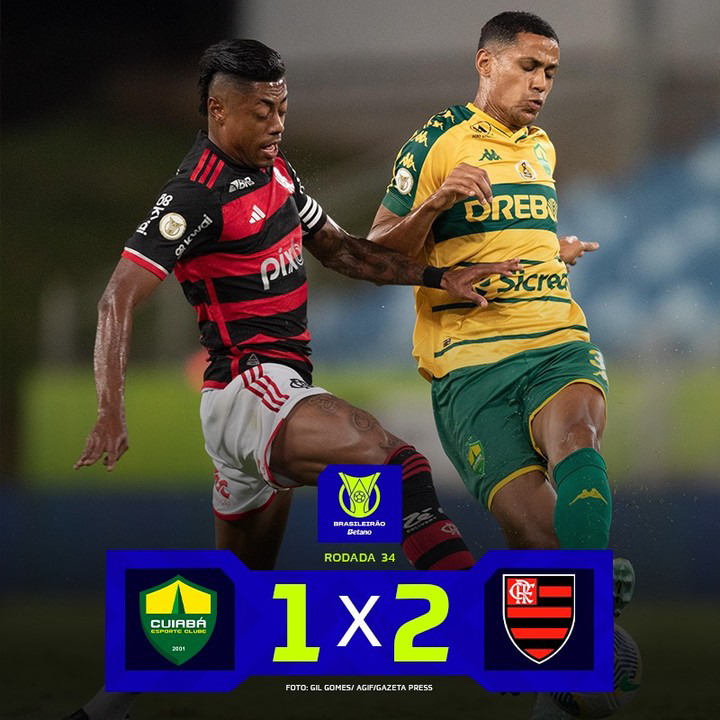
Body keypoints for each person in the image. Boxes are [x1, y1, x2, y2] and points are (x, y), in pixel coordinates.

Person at [65, 39, 520, 720]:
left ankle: (101, 711)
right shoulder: (194, 196)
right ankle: (488, 632)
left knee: (237, 599)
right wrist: (110, 409)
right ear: (219, 110)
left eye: (282, 108)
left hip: (259, 403)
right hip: (251, 389)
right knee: (395, 464)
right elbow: (116, 299)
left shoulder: (278, 175)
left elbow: (346, 253)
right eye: (262, 111)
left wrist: (437, 276)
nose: (277, 123)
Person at [368, 10, 634, 592]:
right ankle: (570, 626)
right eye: (529, 66)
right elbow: (373, 255)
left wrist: (551, 249)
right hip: (470, 364)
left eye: (551, 73)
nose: (541, 83)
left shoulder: (542, 148)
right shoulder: (438, 141)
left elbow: (506, 232)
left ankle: (591, 591)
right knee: (537, 535)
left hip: (554, 340)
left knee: (578, 437)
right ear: (486, 64)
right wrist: (436, 203)